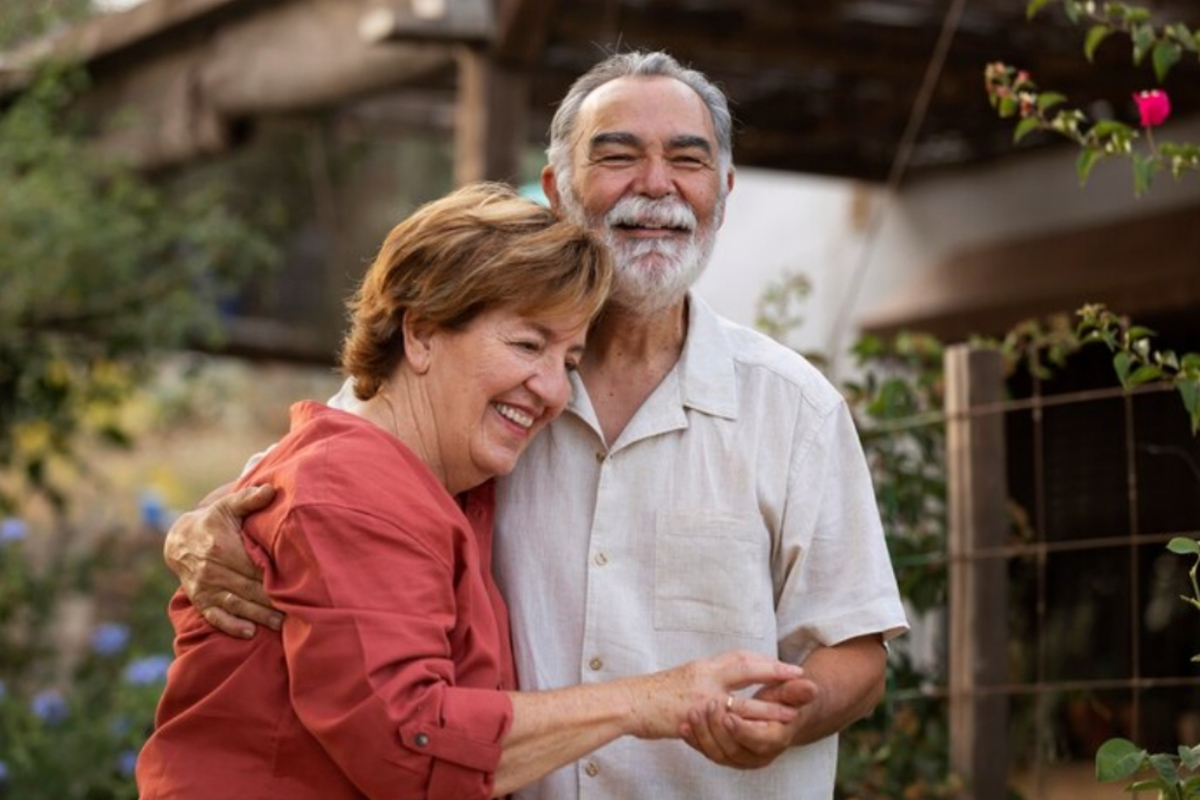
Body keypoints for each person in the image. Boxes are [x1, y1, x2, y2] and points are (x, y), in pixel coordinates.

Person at [165, 52, 909, 800]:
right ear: (558, 189)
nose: (656, 184)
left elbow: (855, 651)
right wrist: (197, 528)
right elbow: (322, 476)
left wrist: (787, 716)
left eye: (687, 160)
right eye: (617, 156)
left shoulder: (794, 408)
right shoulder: (475, 392)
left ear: (723, 191)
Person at [137, 182, 807, 800]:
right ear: (421, 332)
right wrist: (647, 701)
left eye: (568, 361)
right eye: (526, 345)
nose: (553, 388)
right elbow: (413, 747)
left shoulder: (449, 473)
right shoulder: (350, 488)